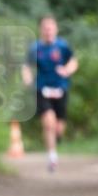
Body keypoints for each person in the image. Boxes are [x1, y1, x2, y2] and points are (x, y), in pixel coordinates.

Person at [22, 16, 78, 172]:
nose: (48, 30)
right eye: (45, 28)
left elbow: (73, 61)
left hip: (61, 88)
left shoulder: (62, 46)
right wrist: (27, 79)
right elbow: (26, 66)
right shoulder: (35, 48)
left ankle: (57, 138)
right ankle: (52, 157)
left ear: (56, 29)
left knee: (59, 128)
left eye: (50, 27)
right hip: (42, 89)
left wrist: (67, 70)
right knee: (48, 123)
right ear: (41, 29)